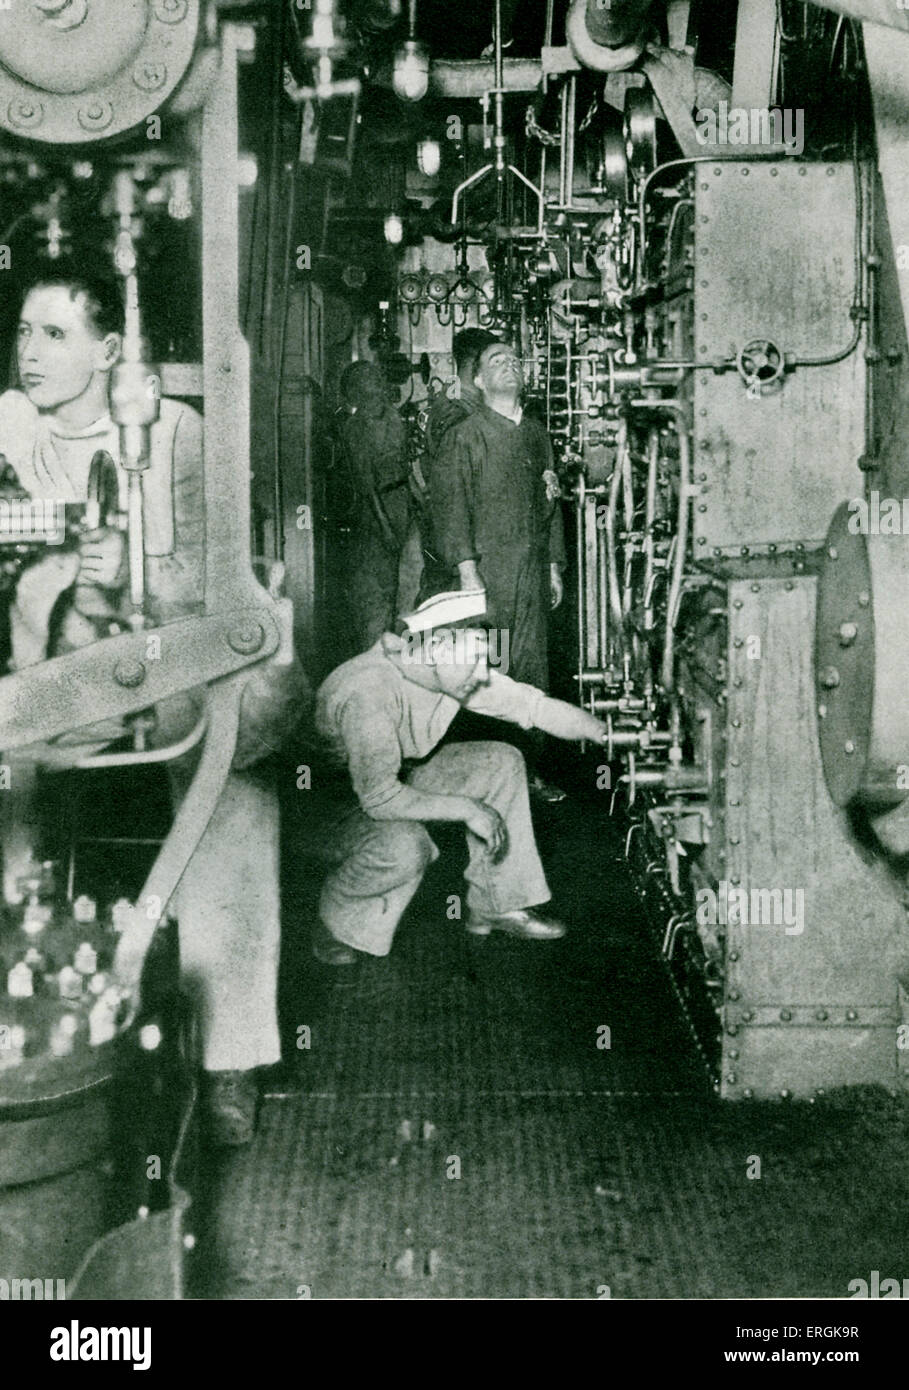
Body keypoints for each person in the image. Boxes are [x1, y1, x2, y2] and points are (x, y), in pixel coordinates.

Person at [0, 266, 305, 1145]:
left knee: (232, 793)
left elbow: (218, 579)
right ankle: (30, 1019)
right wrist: (56, 586)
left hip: (171, 659)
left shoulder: (177, 432)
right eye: (24, 332)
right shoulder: (10, 431)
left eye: (54, 335)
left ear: (108, 350)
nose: (30, 352)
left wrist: (130, 572)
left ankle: (230, 1059)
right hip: (51, 671)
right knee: (10, 785)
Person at [310, 590, 608, 966]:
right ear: (436, 647)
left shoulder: (444, 668)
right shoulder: (368, 691)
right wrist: (468, 809)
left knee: (501, 762)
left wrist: (607, 734)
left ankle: (496, 905)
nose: (484, 673)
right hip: (328, 808)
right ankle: (333, 921)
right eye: (478, 660)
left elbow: (535, 708)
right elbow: (379, 798)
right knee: (405, 847)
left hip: (388, 782)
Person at [426, 340, 568, 801]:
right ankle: (483, 776)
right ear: (479, 382)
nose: (508, 365)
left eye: (513, 359)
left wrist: (553, 566)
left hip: (530, 572)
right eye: (495, 362)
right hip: (487, 576)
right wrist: (467, 571)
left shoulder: (536, 435)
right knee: (486, 672)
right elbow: (450, 508)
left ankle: (530, 771)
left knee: (532, 668)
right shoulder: (465, 435)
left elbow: (552, 506)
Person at [337, 359, 422, 651]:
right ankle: (375, 657)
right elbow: (366, 484)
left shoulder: (394, 418)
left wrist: (418, 503)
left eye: (376, 375)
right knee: (379, 591)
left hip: (403, 504)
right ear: (356, 390)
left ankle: (405, 654)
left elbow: (405, 467)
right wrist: (385, 528)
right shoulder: (355, 427)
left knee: (411, 583)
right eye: (368, 378)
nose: (376, 381)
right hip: (377, 511)